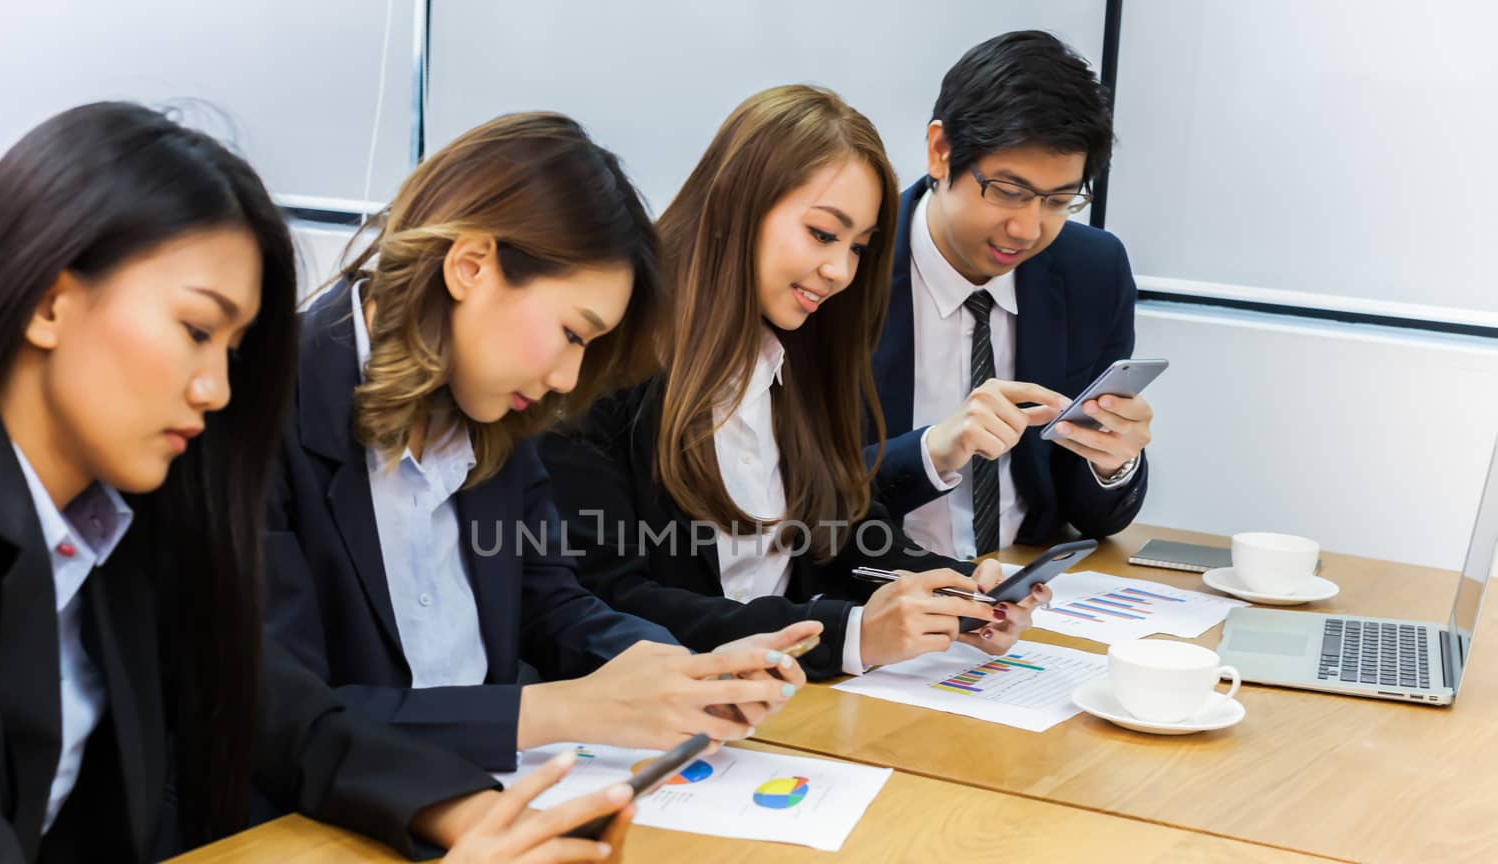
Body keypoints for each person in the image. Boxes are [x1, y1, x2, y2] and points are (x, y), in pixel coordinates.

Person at [0, 102, 635, 864]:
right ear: (49, 299)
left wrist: (473, 814)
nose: (215, 388)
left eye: (234, 350)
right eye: (196, 331)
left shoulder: (110, 509)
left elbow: (277, 709)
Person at [267, 112, 812, 772]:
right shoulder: (263, 411)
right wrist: (562, 711)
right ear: (471, 267)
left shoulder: (493, 407)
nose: (567, 378)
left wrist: (679, 672)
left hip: (495, 800)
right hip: (321, 839)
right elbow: (285, 716)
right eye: (573, 334)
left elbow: (551, 602)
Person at [541, 86, 1047, 683]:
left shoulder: (805, 354)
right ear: (738, 205)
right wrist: (850, 635)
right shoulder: (602, 366)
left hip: (796, 703)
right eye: (822, 234)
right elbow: (608, 601)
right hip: (671, 708)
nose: (840, 272)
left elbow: (837, 538)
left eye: (858, 248)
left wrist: (953, 593)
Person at [868, 30, 1153, 561]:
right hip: (872, 586)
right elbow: (796, 497)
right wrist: (933, 451)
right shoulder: (850, 267)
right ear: (940, 151)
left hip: (1021, 586)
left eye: (1059, 200)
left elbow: (1095, 515)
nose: (1027, 228)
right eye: (1008, 192)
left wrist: (1112, 462)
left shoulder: (1093, 270)